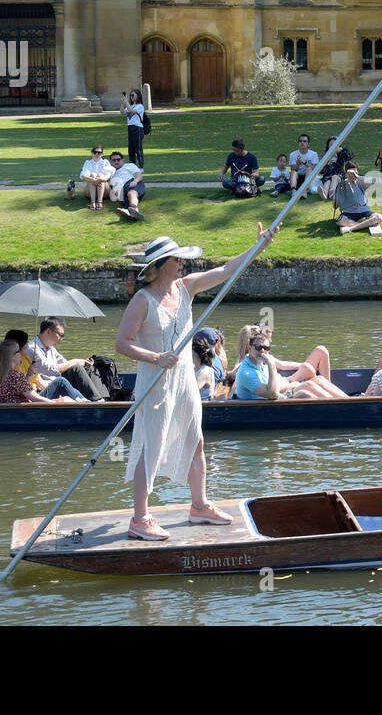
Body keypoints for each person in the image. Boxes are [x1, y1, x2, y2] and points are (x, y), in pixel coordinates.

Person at [115, 228, 277, 540]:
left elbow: (228, 270)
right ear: (162, 264)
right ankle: (139, 519)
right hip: (156, 381)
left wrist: (260, 244)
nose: (183, 264)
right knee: (151, 448)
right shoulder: (143, 301)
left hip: (184, 379)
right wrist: (154, 357)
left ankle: (199, 506)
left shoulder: (187, 287)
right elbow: (122, 343)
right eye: (177, 260)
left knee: (197, 441)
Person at [231, 329, 345, 400]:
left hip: (282, 393)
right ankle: (340, 408)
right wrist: (271, 365)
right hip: (270, 404)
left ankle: (348, 401)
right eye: (258, 347)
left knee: (319, 379)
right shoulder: (246, 372)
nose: (262, 351)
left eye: (266, 348)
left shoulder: (259, 362)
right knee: (307, 387)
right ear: (249, 348)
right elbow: (272, 394)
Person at [25, 317, 102, 400]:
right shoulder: (32, 349)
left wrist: (83, 362)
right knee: (74, 370)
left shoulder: (51, 348)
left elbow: (65, 364)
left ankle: (99, 399)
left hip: (56, 383)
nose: (61, 339)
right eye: (60, 335)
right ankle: (95, 402)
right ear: (48, 331)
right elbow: (50, 370)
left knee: (90, 368)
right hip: (46, 388)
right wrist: (75, 361)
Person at [0, 339, 82, 404]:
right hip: (26, 411)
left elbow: (19, 389)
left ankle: (85, 401)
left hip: (14, 408)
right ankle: (87, 404)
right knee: (63, 389)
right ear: (13, 356)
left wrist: (29, 375)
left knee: (64, 393)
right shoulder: (16, 376)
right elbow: (35, 399)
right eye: (18, 351)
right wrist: (58, 403)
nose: (21, 353)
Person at [335, 161, 382, 234]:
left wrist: (357, 176)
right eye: (350, 173)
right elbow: (335, 206)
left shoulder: (361, 181)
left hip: (364, 210)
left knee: (378, 217)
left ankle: (351, 228)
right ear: (346, 174)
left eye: (355, 172)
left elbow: (370, 183)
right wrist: (340, 194)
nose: (352, 175)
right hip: (349, 212)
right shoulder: (342, 184)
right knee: (339, 221)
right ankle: (366, 225)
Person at [108, 151, 146, 221]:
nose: (116, 161)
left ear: (123, 160)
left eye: (118, 159)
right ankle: (133, 212)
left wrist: (135, 181)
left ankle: (132, 208)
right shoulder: (110, 171)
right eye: (114, 160)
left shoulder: (129, 165)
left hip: (131, 182)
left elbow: (139, 175)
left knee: (131, 193)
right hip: (120, 190)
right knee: (127, 200)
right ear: (111, 162)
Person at [72, 144, 113, 209]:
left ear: (102, 154)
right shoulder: (88, 162)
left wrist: (99, 180)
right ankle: (93, 202)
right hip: (90, 192)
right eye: (95, 152)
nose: (97, 154)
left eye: (99, 153)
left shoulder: (105, 162)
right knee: (93, 175)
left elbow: (108, 176)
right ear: (92, 153)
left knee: (100, 175)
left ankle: (100, 202)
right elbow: (83, 176)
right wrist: (93, 180)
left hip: (104, 191)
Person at [191, 327, 225, 400]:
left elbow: (188, 393)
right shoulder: (209, 363)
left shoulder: (204, 372)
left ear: (193, 352)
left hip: (202, 408)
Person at [318, 135, 354, 200]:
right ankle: (324, 194)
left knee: (334, 177)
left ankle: (332, 193)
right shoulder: (325, 156)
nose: (333, 146)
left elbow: (350, 156)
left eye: (335, 144)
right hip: (327, 177)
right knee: (327, 181)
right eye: (331, 144)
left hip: (338, 176)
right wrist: (327, 163)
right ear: (328, 146)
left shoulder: (341, 154)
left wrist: (342, 149)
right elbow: (321, 171)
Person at [121, 89, 146, 168]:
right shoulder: (130, 105)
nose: (131, 97)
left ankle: (141, 166)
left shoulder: (140, 106)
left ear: (138, 96)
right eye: (130, 95)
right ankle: (133, 166)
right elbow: (122, 112)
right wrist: (123, 103)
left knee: (138, 148)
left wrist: (126, 103)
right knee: (131, 149)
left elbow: (131, 111)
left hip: (137, 128)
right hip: (130, 127)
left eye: (133, 95)